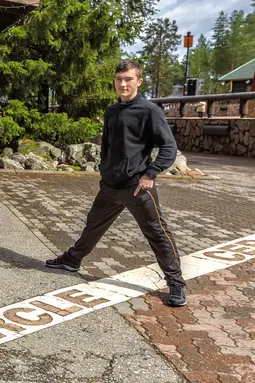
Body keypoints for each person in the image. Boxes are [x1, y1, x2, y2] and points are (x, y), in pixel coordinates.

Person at [45, 59, 186, 307]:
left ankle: (176, 283)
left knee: (157, 233)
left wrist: (150, 173)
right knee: (93, 225)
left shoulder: (149, 111)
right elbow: (107, 146)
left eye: (129, 79)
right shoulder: (112, 111)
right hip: (110, 185)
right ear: (114, 81)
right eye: (119, 79)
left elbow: (169, 147)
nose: (123, 84)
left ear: (139, 81)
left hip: (137, 187)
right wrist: (104, 170)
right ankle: (72, 260)